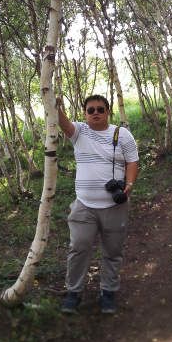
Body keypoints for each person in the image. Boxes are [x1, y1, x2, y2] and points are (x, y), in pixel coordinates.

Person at [56, 94, 139, 315]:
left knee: (113, 251)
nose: (95, 113)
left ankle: (108, 292)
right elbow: (60, 121)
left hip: (115, 206)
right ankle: (73, 293)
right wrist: (53, 102)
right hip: (84, 205)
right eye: (90, 110)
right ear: (84, 113)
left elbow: (132, 161)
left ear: (108, 111)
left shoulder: (122, 135)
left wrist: (129, 184)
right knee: (79, 248)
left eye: (100, 109)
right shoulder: (79, 132)